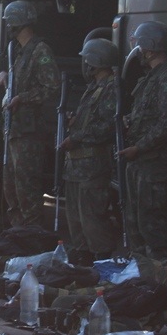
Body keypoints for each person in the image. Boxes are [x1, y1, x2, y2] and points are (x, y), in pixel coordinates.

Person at [118, 20, 167, 261]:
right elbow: (147, 115)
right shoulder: (150, 78)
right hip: (141, 164)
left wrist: (139, 147)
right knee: (136, 228)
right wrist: (129, 121)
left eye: (141, 45)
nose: (139, 51)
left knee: (154, 231)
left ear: (151, 47)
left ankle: (159, 285)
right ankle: (140, 281)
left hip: (155, 167)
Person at [58, 37, 119, 265]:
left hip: (92, 167)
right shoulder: (93, 88)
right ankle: (82, 259)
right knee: (76, 219)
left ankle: (102, 262)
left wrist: (76, 137)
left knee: (93, 219)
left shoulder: (112, 88)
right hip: (76, 167)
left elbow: (108, 127)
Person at [0, 0, 60, 227]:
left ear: (18, 23)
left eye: (10, 23)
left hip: (29, 132)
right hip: (14, 130)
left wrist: (22, 98)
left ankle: (31, 235)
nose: (7, 28)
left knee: (27, 188)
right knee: (11, 188)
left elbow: (51, 87)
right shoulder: (17, 51)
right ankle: (18, 233)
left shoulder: (39, 50)